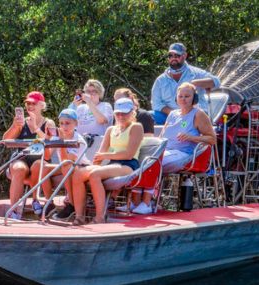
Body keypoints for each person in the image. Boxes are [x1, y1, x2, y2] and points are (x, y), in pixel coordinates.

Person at [123, 82, 217, 214]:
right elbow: (162, 135)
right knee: (141, 158)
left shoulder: (199, 114)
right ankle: (135, 202)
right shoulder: (173, 114)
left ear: (194, 98)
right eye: (181, 96)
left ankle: (147, 203)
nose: (183, 99)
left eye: (187, 96)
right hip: (167, 150)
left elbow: (212, 139)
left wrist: (192, 137)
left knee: (154, 160)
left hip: (184, 154)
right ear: (176, 98)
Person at [69, 98, 143, 225]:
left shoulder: (136, 127)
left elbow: (129, 154)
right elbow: (100, 155)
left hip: (128, 164)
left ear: (132, 112)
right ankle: (80, 216)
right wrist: (93, 165)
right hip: (112, 164)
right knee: (78, 174)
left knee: (94, 174)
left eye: (124, 113)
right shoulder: (111, 130)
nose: (121, 116)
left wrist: (103, 156)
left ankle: (100, 217)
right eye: (118, 113)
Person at [28, 108, 87, 215]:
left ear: (76, 124)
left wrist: (61, 142)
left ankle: (72, 204)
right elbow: (47, 156)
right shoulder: (57, 136)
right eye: (61, 123)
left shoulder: (78, 139)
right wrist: (47, 140)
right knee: (38, 165)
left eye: (68, 123)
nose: (64, 127)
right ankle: (49, 202)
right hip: (65, 166)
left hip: (80, 167)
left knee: (66, 166)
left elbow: (68, 160)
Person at [2, 91, 52, 220]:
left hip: (41, 160)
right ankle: (14, 210)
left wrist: (36, 128)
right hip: (22, 158)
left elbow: (50, 147)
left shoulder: (49, 123)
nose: (30, 106)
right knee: (19, 168)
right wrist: (14, 126)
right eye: (27, 103)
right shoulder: (21, 123)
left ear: (41, 105)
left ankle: (35, 199)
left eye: (33, 103)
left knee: (37, 165)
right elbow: (5, 141)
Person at [151, 42, 220, 125]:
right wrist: (175, 114)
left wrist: (194, 83)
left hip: (194, 114)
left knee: (186, 125)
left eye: (177, 55)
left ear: (184, 56)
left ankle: (187, 132)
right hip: (170, 115)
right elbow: (156, 104)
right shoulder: (160, 80)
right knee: (147, 116)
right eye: (170, 56)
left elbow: (217, 82)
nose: (173, 58)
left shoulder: (196, 73)